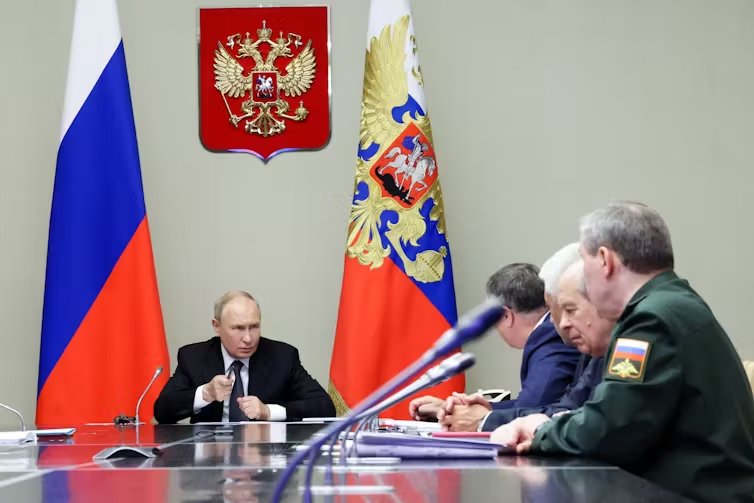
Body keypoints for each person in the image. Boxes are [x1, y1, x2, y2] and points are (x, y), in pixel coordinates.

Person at [492, 202, 754, 503]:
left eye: (584, 264)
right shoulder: (673, 302)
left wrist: (541, 432)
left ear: (605, 261)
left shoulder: (649, 320)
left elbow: (610, 428)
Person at [409, 263, 580, 423]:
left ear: (506, 316)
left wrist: (478, 417)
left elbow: (530, 411)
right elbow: (533, 405)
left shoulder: (551, 336)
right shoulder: (547, 334)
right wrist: (466, 409)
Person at [154, 290, 335, 423]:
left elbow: (325, 407)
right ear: (217, 326)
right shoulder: (194, 357)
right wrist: (206, 393)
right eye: (238, 328)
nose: (248, 338)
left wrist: (268, 412)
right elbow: (162, 411)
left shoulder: (282, 357)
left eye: (254, 327)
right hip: (210, 458)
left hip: (265, 459)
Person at [477, 258, 610, 432]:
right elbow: (568, 406)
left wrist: (484, 418)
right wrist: (488, 409)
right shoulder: (584, 342)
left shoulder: (552, 337)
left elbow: (540, 406)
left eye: (570, 309)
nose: (563, 323)